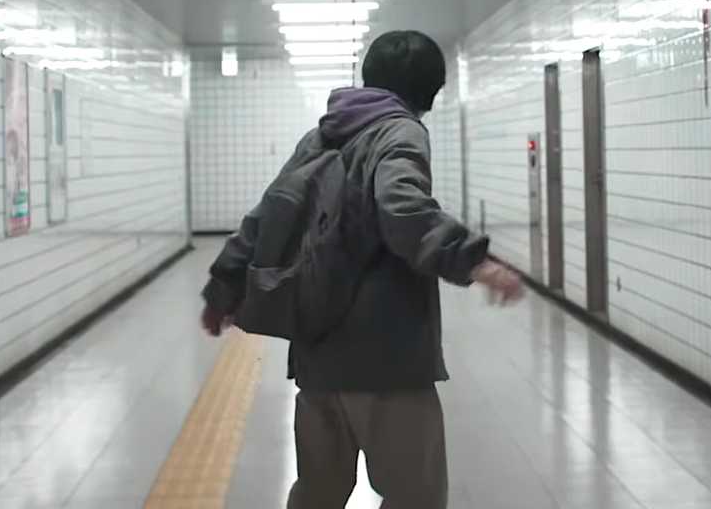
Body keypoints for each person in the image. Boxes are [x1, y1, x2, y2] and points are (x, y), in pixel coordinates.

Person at [200, 30, 525, 509]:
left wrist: (224, 285)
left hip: (316, 352)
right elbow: (402, 206)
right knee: (416, 495)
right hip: (386, 358)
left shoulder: (322, 134)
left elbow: (269, 212)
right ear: (430, 89)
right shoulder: (400, 131)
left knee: (318, 492)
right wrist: (474, 259)